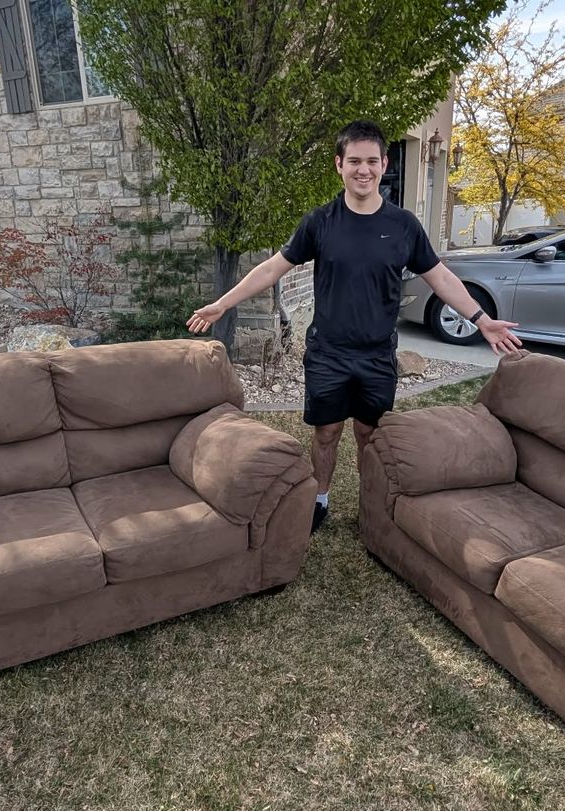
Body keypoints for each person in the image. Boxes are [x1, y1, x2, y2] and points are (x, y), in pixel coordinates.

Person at [188, 120, 522, 533]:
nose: (362, 170)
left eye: (371, 161)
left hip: (378, 355)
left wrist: (481, 319)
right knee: (326, 432)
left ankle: (370, 502)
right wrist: (223, 303)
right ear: (339, 165)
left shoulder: (404, 226)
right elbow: (273, 267)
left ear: (384, 164)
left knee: (369, 432)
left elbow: (441, 277)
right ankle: (320, 499)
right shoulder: (320, 222)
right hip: (328, 352)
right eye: (353, 161)